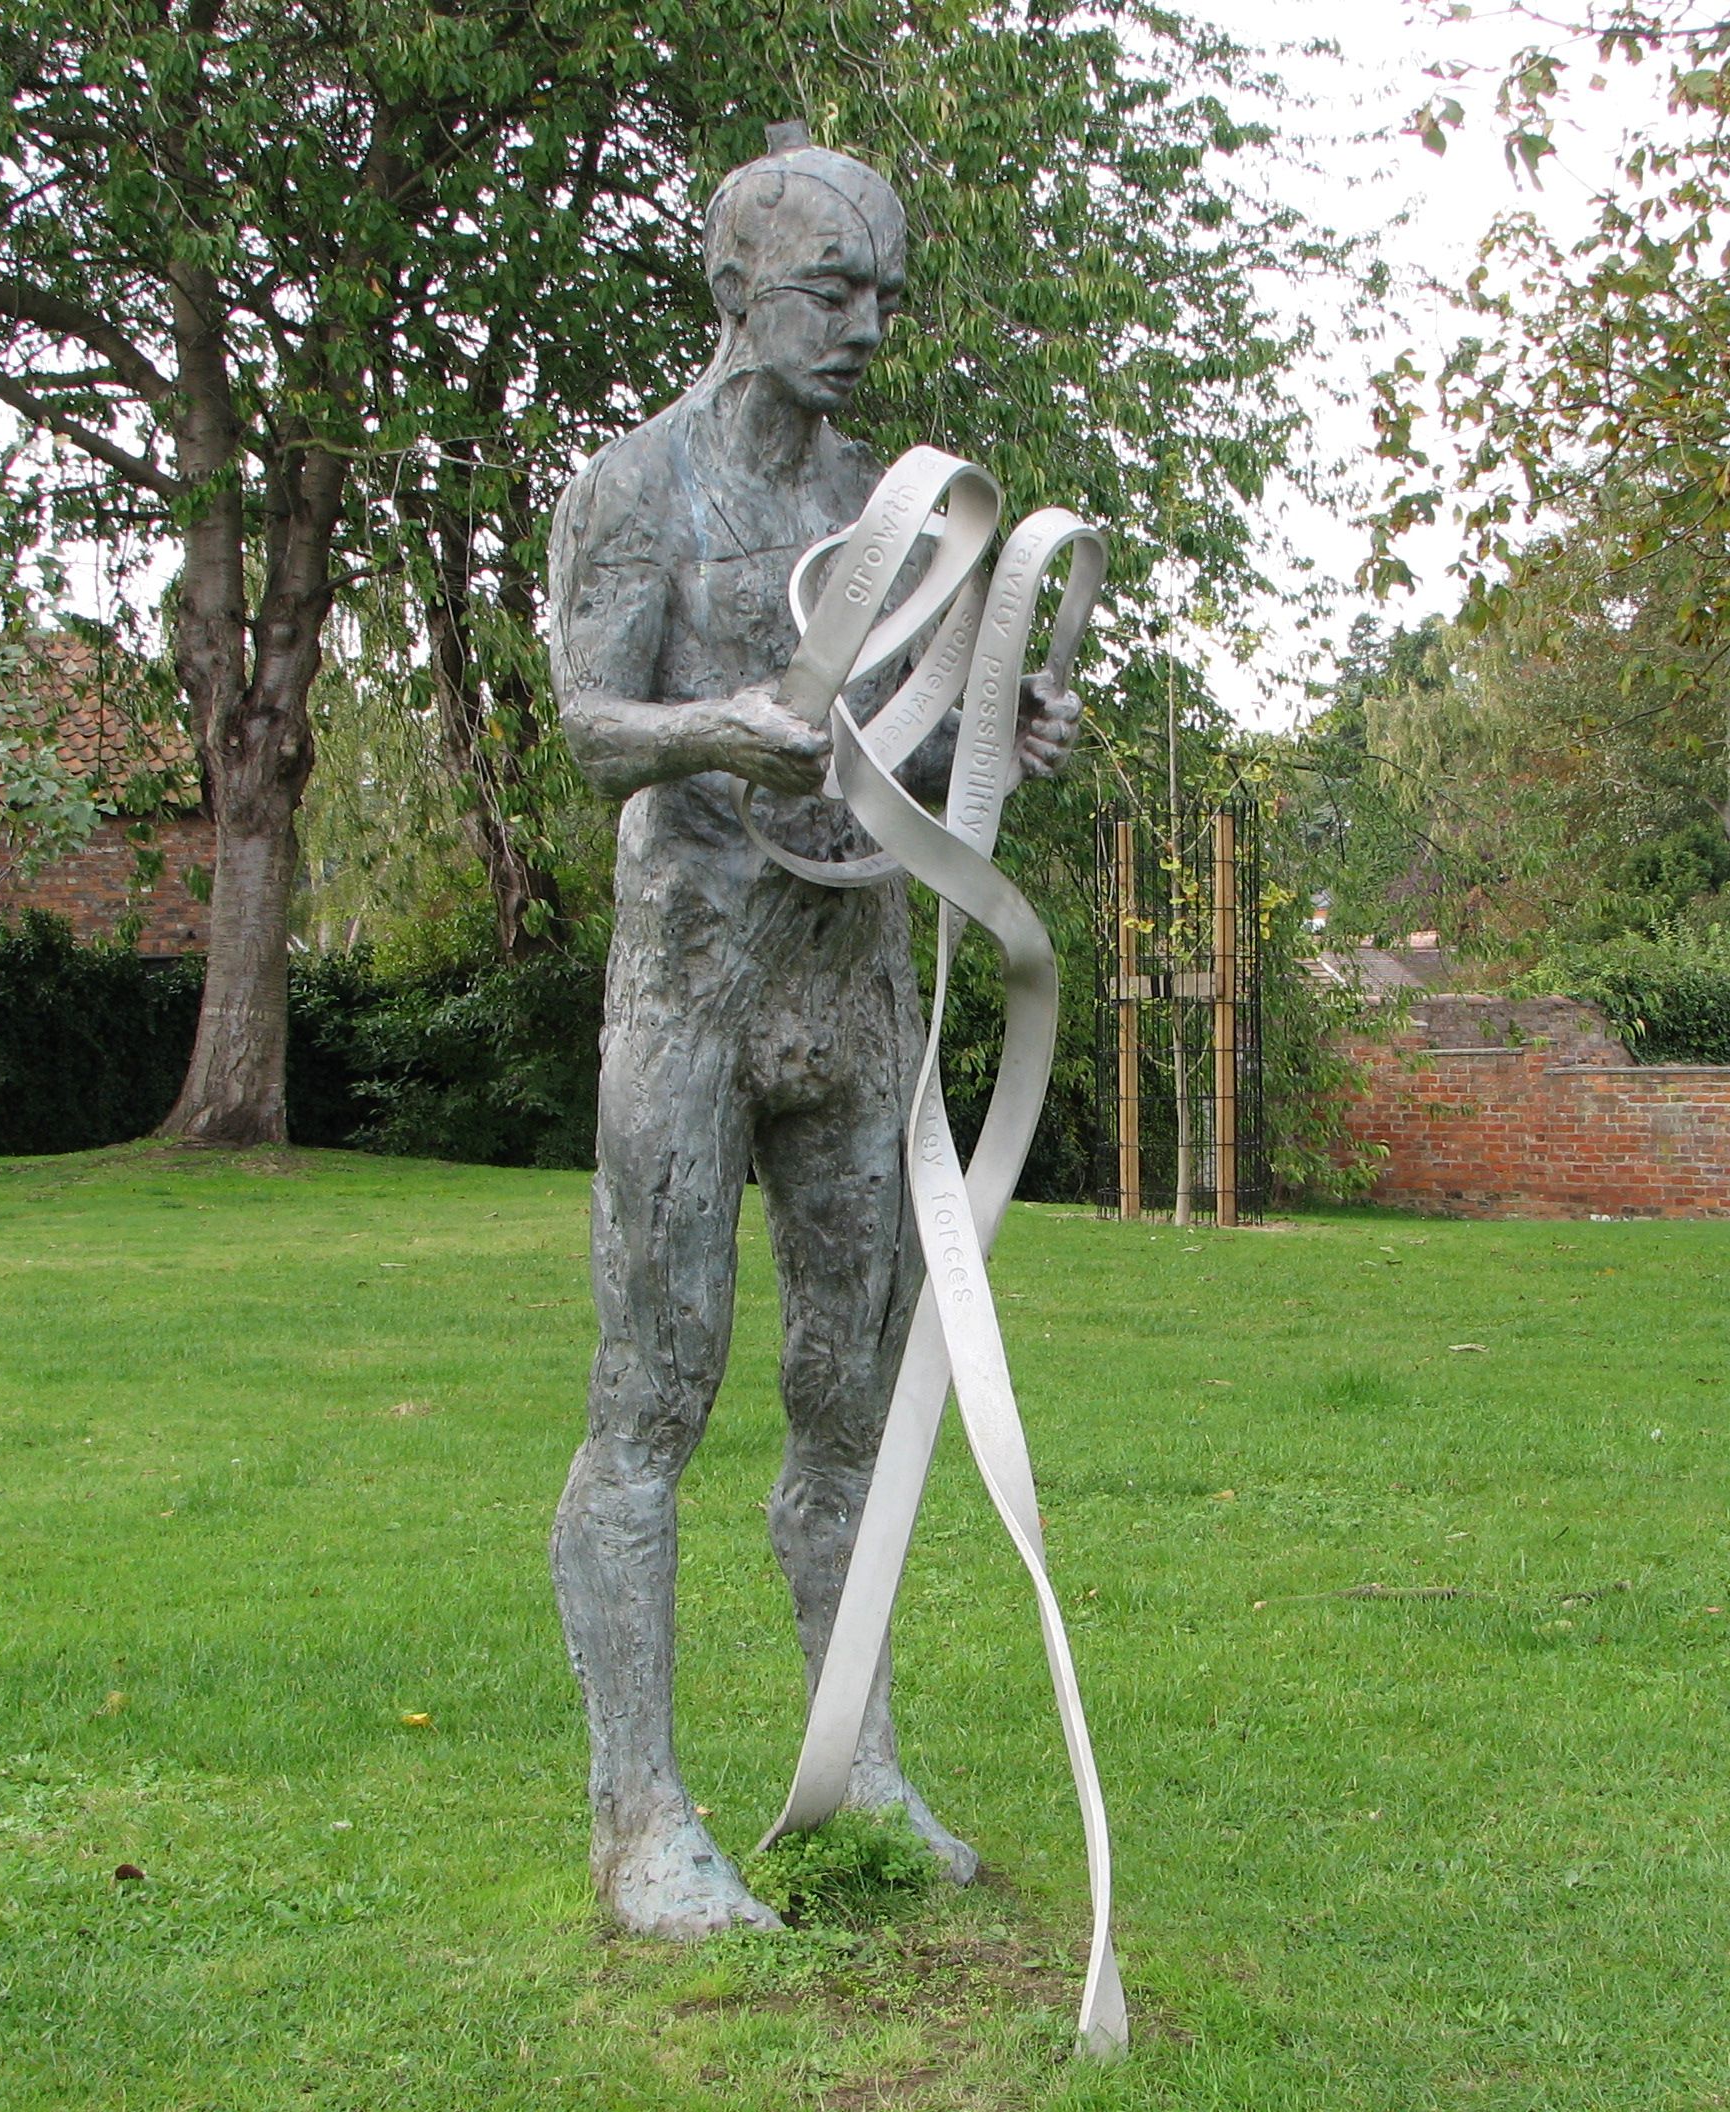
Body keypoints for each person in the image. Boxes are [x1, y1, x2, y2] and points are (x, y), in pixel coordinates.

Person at [544, 125, 1079, 1936]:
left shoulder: (894, 510)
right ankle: (640, 1819)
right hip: (689, 993)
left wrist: (999, 735)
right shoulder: (636, 487)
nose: (862, 329)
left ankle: (856, 1763)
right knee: (653, 1402)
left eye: (883, 299)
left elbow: (899, 750)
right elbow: (591, 722)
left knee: (850, 1409)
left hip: (848, 1002)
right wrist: (717, 728)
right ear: (732, 290)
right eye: (827, 292)